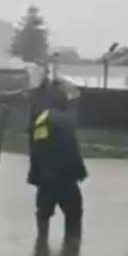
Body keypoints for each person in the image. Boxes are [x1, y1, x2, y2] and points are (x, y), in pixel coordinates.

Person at [27, 84, 87, 239]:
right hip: (64, 177)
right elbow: (71, 147)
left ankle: (41, 249)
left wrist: (35, 175)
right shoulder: (65, 120)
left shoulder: (41, 119)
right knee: (74, 213)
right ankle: (71, 251)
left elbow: (36, 149)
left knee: (43, 213)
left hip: (46, 177)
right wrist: (80, 170)